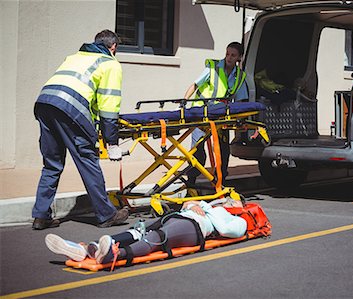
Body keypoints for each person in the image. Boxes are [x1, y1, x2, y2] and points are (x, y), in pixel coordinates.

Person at [32, 29, 128, 230]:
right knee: (87, 160)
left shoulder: (76, 56)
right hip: (70, 109)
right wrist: (112, 142)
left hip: (44, 103)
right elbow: (109, 106)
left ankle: (41, 216)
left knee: (52, 164)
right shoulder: (110, 64)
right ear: (113, 47)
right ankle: (107, 214)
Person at [45, 199, 247, 264]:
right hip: (180, 217)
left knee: (156, 238)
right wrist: (193, 203)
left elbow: (229, 230)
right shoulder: (212, 204)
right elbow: (187, 203)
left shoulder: (238, 219)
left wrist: (208, 209)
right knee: (137, 230)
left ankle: (113, 254)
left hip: (194, 228)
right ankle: (90, 247)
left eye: (234, 201)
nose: (230, 200)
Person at [183, 42, 248, 186]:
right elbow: (195, 85)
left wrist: (242, 120)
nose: (229, 58)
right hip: (201, 113)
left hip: (220, 117)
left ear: (239, 58)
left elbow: (242, 100)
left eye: (233, 55)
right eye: (227, 54)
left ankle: (221, 179)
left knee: (222, 150)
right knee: (197, 149)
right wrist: (184, 101)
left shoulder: (239, 77)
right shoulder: (213, 68)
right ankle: (191, 181)